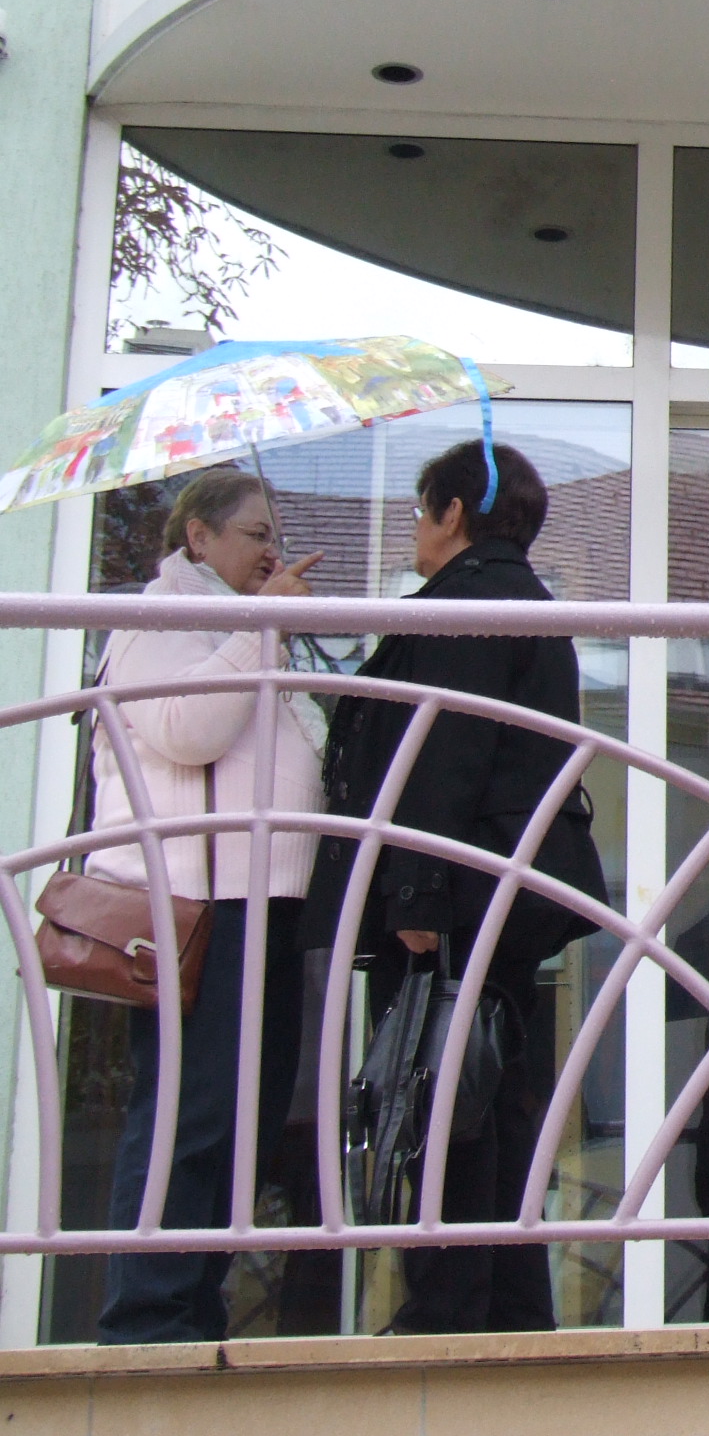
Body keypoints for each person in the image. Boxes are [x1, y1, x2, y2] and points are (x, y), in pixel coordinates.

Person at [301, 438, 609, 1333]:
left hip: (458, 895)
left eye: (420, 510)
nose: (415, 529)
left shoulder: (468, 602)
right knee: (485, 1093)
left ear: (454, 513)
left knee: (442, 1096)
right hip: (496, 888)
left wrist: (417, 898)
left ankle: (452, 1309)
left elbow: (443, 753)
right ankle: (506, 1307)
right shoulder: (518, 600)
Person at [91, 467, 325, 1342]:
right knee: (190, 1112)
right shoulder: (158, 616)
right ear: (198, 537)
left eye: (273, 537)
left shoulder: (235, 624)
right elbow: (186, 732)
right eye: (256, 534)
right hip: (201, 906)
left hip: (263, 902)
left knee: (244, 1117)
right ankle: (145, 1318)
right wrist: (265, 629)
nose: (271, 551)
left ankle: (193, 1303)